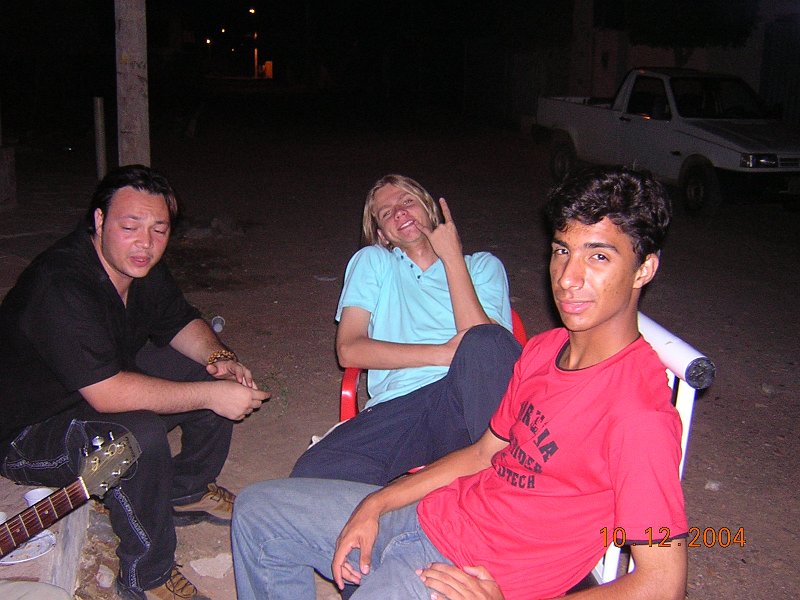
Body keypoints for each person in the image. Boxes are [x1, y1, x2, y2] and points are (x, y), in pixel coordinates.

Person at [232, 166, 688, 599]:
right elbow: (483, 453)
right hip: (430, 516)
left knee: (487, 344)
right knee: (257, 510)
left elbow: (663, 583)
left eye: (599, 256)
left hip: (463, 572)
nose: (568, 278)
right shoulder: (544, 351)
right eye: (562, 250)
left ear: (644, 269)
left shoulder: (638, 412)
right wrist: (377, 504)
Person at [0, 165, 269, 600]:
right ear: (99, 220)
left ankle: (186, 489)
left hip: (88, 390)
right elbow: (109, 393)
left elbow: (179, 320)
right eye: (130, 227)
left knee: (205, 370)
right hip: (27, 431)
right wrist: (211, 396)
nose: (145, 243)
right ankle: (148, 576)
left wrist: (219, 360)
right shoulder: (61, 283)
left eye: (158, 230)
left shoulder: (138, 267)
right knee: (134, 435)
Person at [290, 174, 522, 485]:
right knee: (312, 475)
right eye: (386, 213)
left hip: (466, 400)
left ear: (430, 209)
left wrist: (452, 258)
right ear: (382, 235)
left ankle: (495, 484)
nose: (399, 213)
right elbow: (349, 349)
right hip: (401, 404)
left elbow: (489, 351)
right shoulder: (374, 262)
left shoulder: (482, 266)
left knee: (488, 341)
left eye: (407, 202)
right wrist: (443, 354)